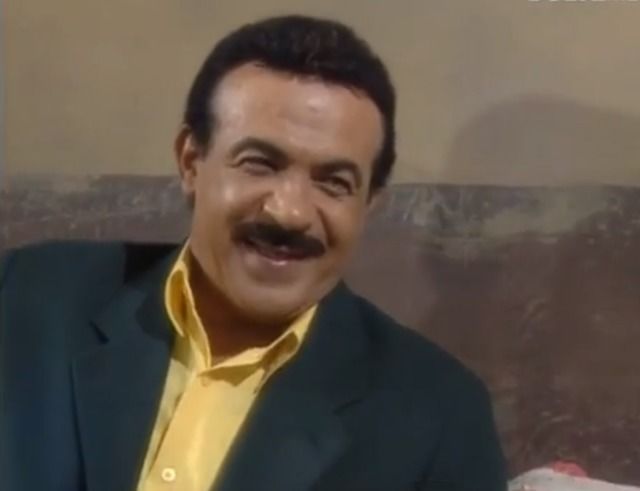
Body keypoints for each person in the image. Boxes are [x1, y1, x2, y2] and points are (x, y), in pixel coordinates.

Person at [0, 15, 507, 491]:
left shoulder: (438, 416)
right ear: (191, 162)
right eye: (260, 163)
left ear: (368, 204)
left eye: (334, 182)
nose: (289, 213)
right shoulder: (28, 298)